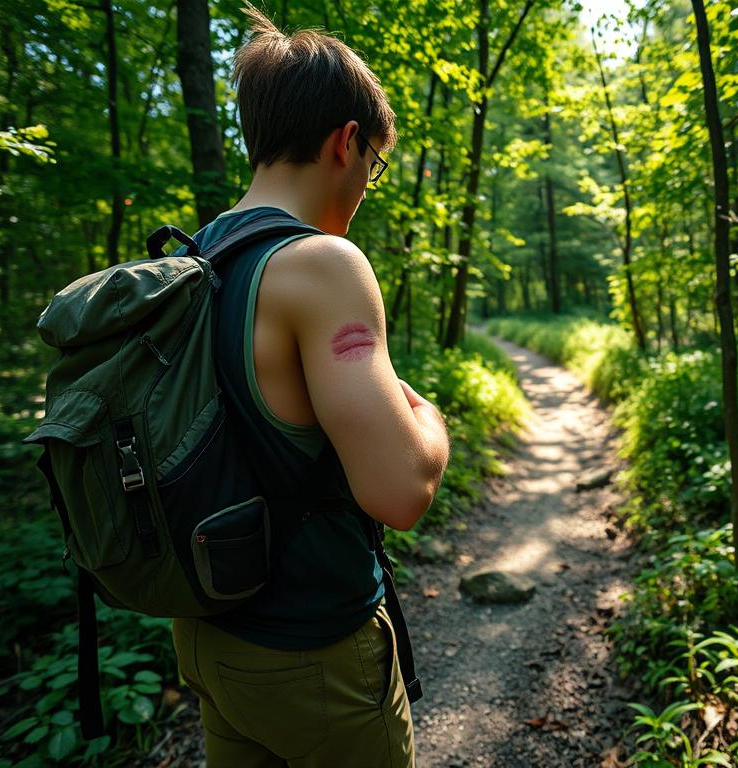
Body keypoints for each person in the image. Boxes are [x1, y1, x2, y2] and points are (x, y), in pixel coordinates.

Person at [169, 5, 450, 767]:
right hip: (316, 655)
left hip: (208, 640)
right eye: (373, 165)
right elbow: (401, 494)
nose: (366, 185)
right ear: (346, 142)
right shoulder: (323, 264)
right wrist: (430, 420)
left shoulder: (198, 258)